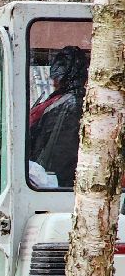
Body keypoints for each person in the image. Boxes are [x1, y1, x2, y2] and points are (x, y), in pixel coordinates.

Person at [28, 45, 88, 188]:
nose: (53, 82)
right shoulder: (61, 102)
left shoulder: (70, 105)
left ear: (64, 77)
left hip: (54, 181)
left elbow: (60, 153)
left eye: (56, 77)